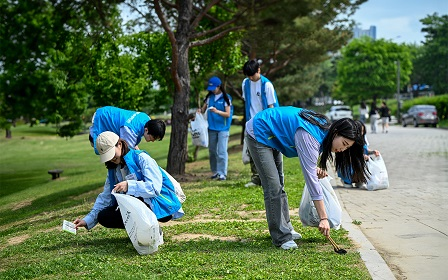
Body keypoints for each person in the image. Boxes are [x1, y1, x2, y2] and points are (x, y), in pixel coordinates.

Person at [245, 106, 367, 250]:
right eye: (344, 144)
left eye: (347, 148)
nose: (342, 149)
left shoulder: (324, 132)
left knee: (279, 185)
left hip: (273, 133)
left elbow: (307, 156)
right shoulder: (310, 135)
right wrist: (323, 218)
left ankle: (286, 228)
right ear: (335, 132)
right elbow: (311, 181)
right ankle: (281, 237)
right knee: (273, 187)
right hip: (260, 131)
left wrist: (313, 168)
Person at [74, 131, 184, 231]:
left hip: (159, 202)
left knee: (134, 202)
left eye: (112, 153)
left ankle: (150, 227)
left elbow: (154, 188)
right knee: (104, 216)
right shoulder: (113, 169)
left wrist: (129, 185)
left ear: (120, 144)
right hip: (136, 205)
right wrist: (87, 220)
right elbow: (106, 196)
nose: (111, 158)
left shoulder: (142, 158)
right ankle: (141, 230)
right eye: (107, 156)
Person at [242, 59, 279, 187]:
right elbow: (247, 102)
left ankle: (271, 178)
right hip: (251, 122)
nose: (251, 78)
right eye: (248, 75)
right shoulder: (245, 83)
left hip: (265, 123)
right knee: (252, 151)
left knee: (268, 151)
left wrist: (270, 126)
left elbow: (271, 107)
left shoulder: (267, 85)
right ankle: (256, 178)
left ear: (259, 70)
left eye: (253, 75)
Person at [89, 106, 166, 154]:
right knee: (103, 148)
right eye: (153, 138)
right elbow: (127, 151)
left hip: (108, 112)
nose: (152, 141)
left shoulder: (146, 119)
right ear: (146, 130)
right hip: (102, 118)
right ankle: (91, 137)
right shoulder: (129, 130)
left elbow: (132, 144)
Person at [199, 76, 233, 181]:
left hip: (223, 128)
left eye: (214, 88)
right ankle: (215, 171)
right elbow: (203, 110)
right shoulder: (209, 98)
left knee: (222, 151)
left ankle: (222, 173)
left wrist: (217, 111)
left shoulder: (226, 98)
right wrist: (199, 111)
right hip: (211, 128)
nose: (212, 90)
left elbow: (228, 114)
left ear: (219, 86)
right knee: (212, 151)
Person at [339, 121, 380, 189]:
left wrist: (373, 152)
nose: (362, 133)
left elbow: (366, 149)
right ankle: (347, 180)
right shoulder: (350, 141)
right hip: (351, 164)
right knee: (348, 185)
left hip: (362, 162)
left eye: (363, 131)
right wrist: (361, 157)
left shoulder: (363, 138)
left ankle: (360, 180)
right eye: (360, 131)